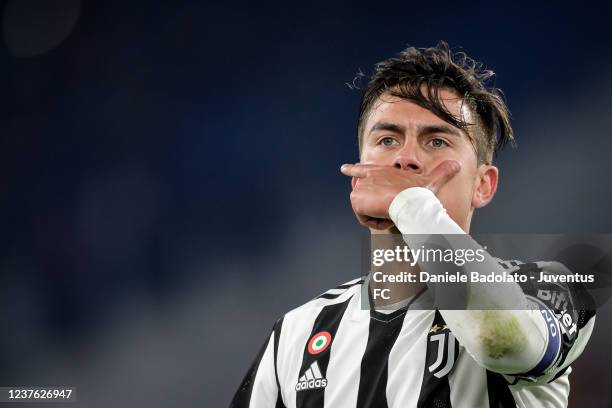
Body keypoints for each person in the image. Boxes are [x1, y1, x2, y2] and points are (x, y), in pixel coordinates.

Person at [230, 41, 595, 408]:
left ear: (483, 184)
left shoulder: (547, 286)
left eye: (436, 141)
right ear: (359, 174)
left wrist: (410, 203)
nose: (406, 158)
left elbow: (497, 339)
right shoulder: (296, 334)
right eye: (387, 140)